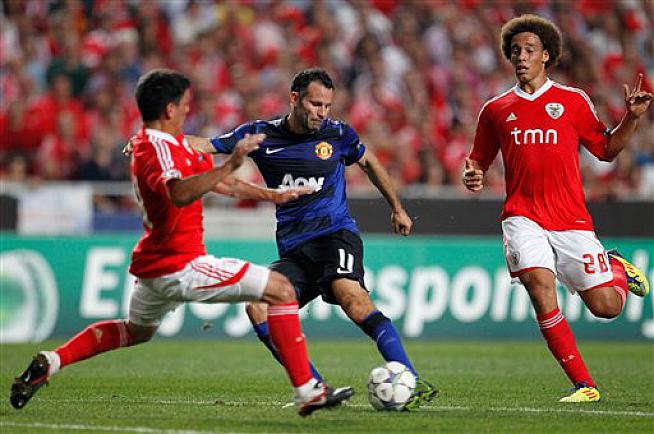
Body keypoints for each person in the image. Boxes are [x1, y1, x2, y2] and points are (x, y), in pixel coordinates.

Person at [10, 69, 354, 417]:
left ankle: (52, 361)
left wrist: (272, 195)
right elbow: (178, 193)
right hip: (181, 264)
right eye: (185, 105)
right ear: (170, 109)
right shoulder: (157, 149)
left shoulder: (166, 144)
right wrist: (231, 164)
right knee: (281, 290)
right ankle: (308, 390)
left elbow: (219, 183)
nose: (189, 110)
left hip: (154, 267)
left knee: (136, 331)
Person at [185, 68, 437, 410]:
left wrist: (397, 208)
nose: (322, 112)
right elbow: (205, 145)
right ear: (295, 99)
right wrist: (155, 141)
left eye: (327, 106)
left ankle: (412, 379)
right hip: (294, 249)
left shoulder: (338, 134)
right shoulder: (261, 135)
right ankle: (314, 388)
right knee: (258, 307)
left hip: (335, 235)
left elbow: (369, 162)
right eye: (316, 104)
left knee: (352, 298)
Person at [462, 15, 651, 403]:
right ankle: (584, 385)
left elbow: (607, 150)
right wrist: (473, 174)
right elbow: (477, 160)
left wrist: (631, 119)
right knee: (539, 285)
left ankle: (615, 266)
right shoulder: (496, 109)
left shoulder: (572, 101)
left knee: (607, 307)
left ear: (546, 56)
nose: (521, 57)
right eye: (515, 51)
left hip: (571, 219)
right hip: (522, 216)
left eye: (529, 50)